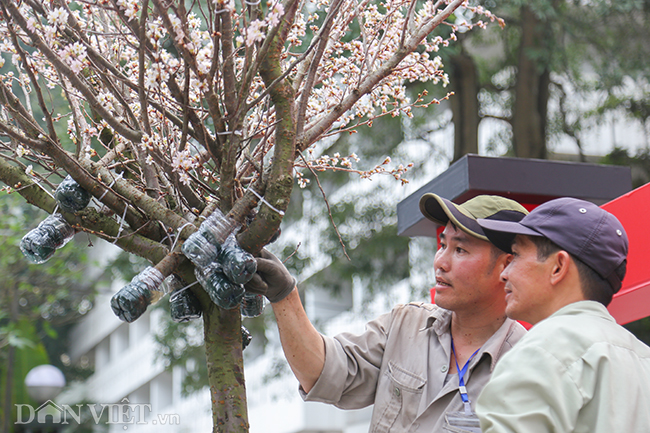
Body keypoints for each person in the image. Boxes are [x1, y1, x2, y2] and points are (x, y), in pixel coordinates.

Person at [245, 194, 529, 432]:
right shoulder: (406, 325)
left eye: (460, 250)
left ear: (506, 267)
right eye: (443, 245)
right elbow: (322, 372)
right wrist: (285, 295)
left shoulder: (528, 368)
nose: (440, 262)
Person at [475, 197, 650, 433]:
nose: (504, 273)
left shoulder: (543, 350)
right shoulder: (642, 358)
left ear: (558, 267)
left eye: (515, 255)